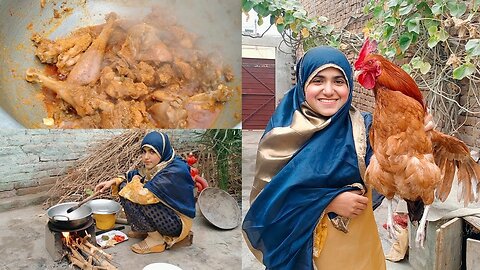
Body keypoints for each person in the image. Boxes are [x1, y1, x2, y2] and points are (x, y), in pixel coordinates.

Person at [242, 46, 385, 270]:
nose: (329, 90)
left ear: (349, 84)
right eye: (318, 80)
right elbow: (267, 203)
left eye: (338, 81)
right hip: (296, 248)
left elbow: (391, 171)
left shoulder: (363, 127)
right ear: (302, 84)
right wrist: (327, 203)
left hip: (354, 247)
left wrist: (419, 136)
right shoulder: (282, 132)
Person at [95, 131, 195, 254]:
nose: (146, 157)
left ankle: (156, 240)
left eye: (152, 152)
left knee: (130, 193)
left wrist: (134, 183)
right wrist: (113, 181)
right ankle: (146, 230)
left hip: (177, 223)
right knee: (124, 186)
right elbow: (137, 173)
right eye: (144, 151)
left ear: (162, 151)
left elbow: (144, 196)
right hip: (167, 214)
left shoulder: (175, 170)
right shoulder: (163, 163)